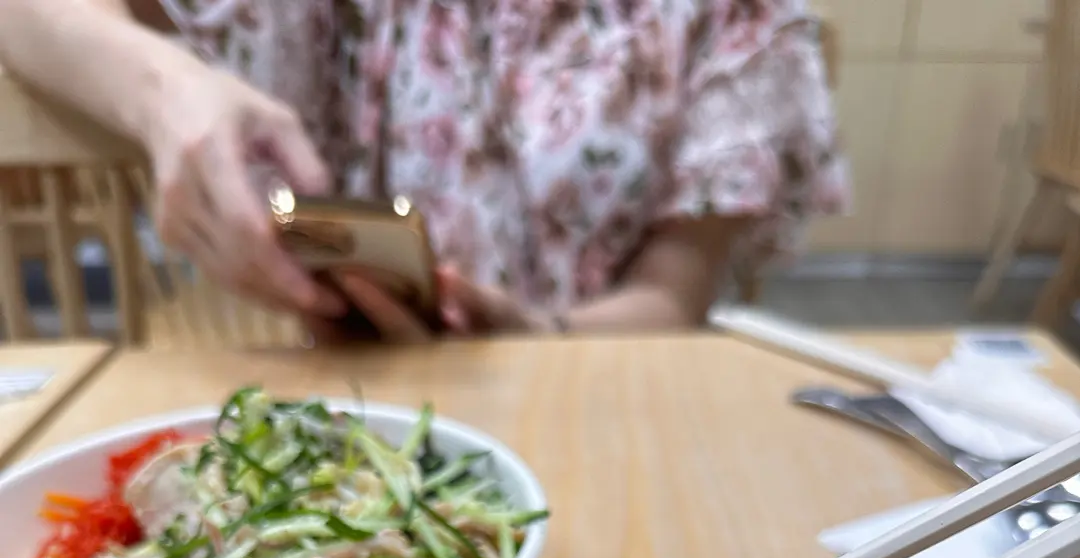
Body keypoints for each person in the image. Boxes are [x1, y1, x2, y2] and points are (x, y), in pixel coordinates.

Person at [0, 0, 847, 340]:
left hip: (593, 390)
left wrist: (537, 334)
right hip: (325, 391)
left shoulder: (725, 15)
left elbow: (672, 297)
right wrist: (168, 95)